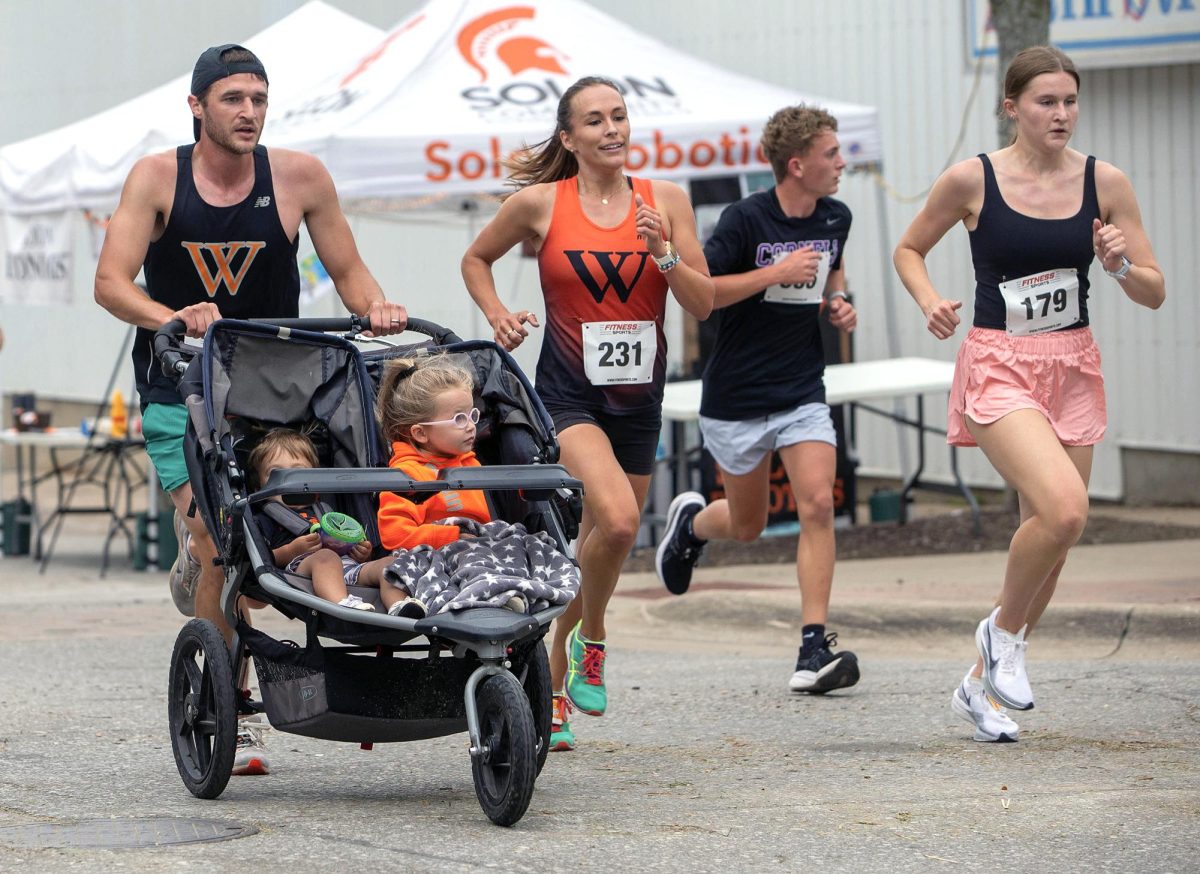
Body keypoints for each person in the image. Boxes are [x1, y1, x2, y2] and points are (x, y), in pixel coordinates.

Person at [93, 43, 408, 774]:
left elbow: (351, 272)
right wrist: (173, 315)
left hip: (277, 394)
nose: (248, 112)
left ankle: (210, 572)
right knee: (217, 538)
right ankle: (222, 705)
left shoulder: (300, 177)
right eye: (233, 98)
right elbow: (111, 283)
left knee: (263, 547)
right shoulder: (155, 177)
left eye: (259, 99)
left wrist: (379, 308)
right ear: (197, 106)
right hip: (183, 389)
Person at [892, 46, 1164, 743]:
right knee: (1066, 510)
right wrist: (928, 301)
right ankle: (1002, 634)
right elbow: (909, 249)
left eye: (1070, 101)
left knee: (1050, 540)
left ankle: (978, 687)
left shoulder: (1105, 181)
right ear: (1012, 106)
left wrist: (1120, 264)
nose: (1062, 114)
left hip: (1072, 364)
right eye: (1047, 101)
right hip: (1000, 364)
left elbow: (1154, 290)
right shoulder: (971, 179)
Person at [461, 76, 714, 751]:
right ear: (569, 138)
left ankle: (554, 668)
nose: (613, 130)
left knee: (609, 539)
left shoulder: (667, 202)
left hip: (640, 397)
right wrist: (497, 315)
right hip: (569, 397)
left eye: (621, 117)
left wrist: (664, 252)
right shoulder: (542, 204)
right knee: (621, 517)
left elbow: (704, 302)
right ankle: (594, 638)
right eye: (596, 120)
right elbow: (476, 258)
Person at [653, 105, 861, 696]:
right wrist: (773, 274)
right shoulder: (745, 221)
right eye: (831, 154)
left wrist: (840, 304)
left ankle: (813, 644)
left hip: (801, 390)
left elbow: (832, 272)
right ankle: (693, 526)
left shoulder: (837, 217)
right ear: (797, 165)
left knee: (817, 504)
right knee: (747, 526)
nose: (841, 163)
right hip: (737, 396)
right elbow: (707, 295)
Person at [374, 356, 497, 611]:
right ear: (420, 433)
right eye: (459, 419)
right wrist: (451, 536)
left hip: (476, 551)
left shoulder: (470, 464)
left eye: (472, 415)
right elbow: (395, 536)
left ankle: (501, 590)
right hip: (433, 556)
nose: (471, 426)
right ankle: (494, 594)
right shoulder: (405, 475)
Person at [248, 428, 403, 612]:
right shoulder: (265, 517)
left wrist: (361, 553)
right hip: (302, 572)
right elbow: (263, 558)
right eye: (276, 474)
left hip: (347, 569)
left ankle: (398, 605)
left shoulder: (326, 511)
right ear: (259, 487)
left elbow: (353, 549)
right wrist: (292, 550)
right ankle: (342, 604)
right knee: (325, 557)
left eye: (298, 473)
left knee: (388, 564)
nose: (288, 481)